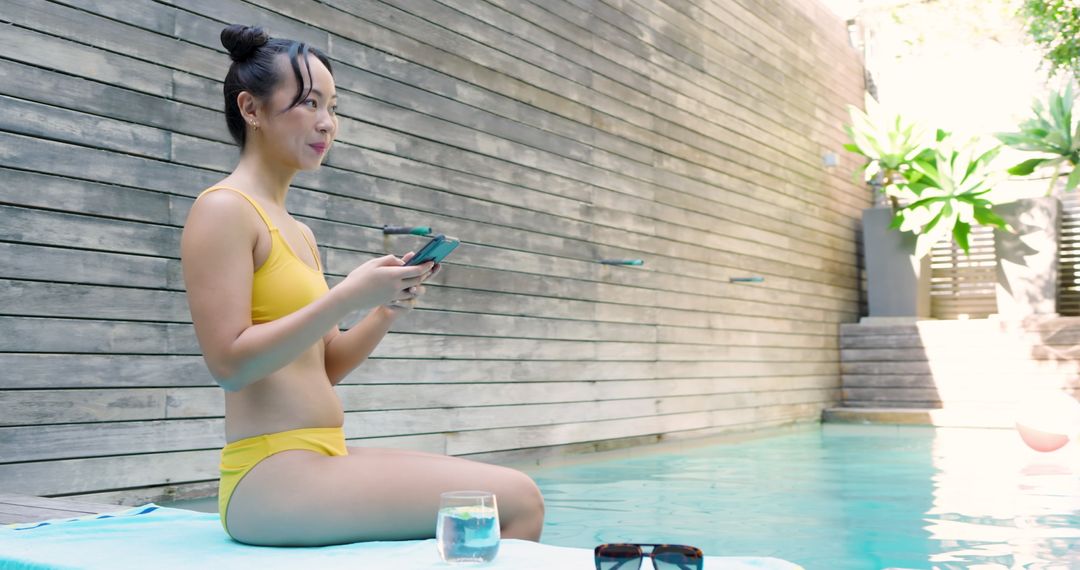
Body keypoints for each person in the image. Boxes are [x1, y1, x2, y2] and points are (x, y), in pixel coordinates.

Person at [180, 24, 544, 547]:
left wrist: (382, 309)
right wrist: (348, 295)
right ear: (251, 109)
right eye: (309, 104)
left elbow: (323, 366)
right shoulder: (223, 210)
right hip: (271, 476)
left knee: (500, 498)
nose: (327, 123)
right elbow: (230, 366)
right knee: (515, 500)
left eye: (333, 107)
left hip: (322, 455)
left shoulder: (298, 232)